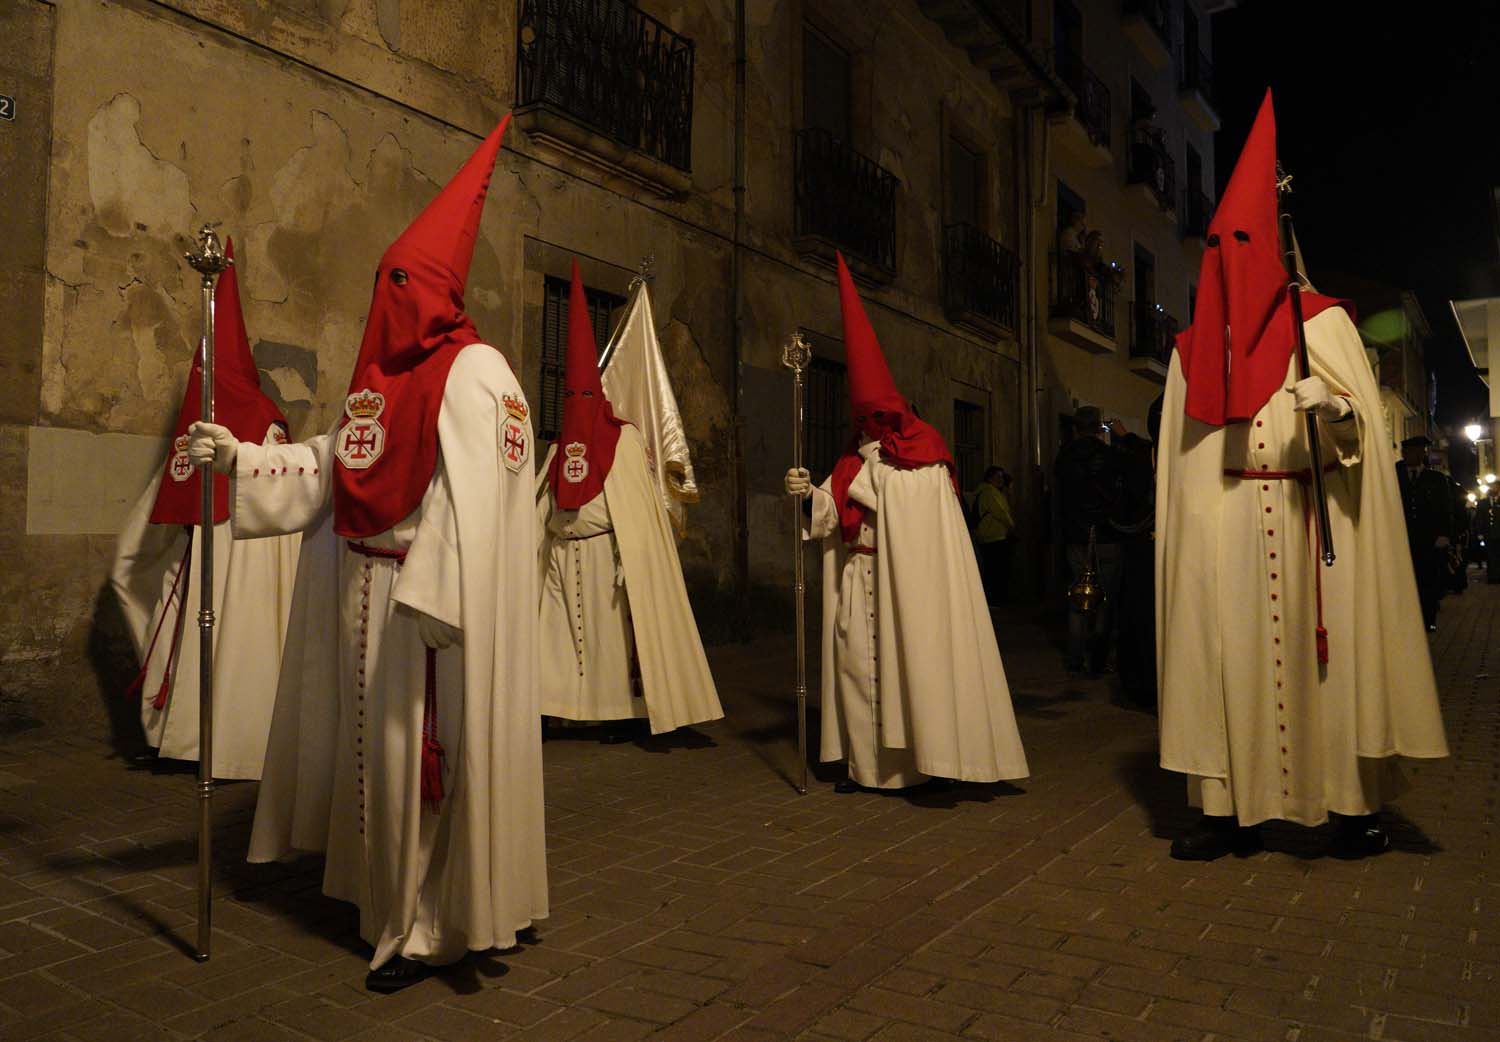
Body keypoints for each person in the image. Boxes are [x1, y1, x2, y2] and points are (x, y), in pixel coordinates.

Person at [188, 116, 547, 991]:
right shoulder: (381, 381)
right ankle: (384, 905)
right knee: (376, 775)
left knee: (422, 770)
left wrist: (434, 597)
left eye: (397, 282)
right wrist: (243, 457)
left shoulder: (478, 375)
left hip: (427, 613)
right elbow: (331, 462)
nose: (383, 298)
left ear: (429, 290)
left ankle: (427, 929)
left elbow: (478, 505)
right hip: (365, 598)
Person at [1155, 91, 1448, 862]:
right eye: (1221, 246)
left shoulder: (1323, 324)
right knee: (1226, 667)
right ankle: (1227, 814)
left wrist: (1341, 405)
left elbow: (1362, 441)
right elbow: (1179, 470)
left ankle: (1349, 810)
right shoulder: (1192, 352)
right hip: (1225, 530)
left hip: (1312, 517)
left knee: (1330, 669)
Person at [783, 253, 1028, 793]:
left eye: (874, 418)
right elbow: (831, 512)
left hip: (907, 585)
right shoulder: (854, 456)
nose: (867, 427)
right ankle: (862, 765)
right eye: (861, 420)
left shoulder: (925, 452)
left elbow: (914, 511)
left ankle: (922, 766)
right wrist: (807, 495)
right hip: (858, 575)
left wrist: (875, 476)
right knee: (853, 669)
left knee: (910, 667)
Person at [110, 239, 299, 779]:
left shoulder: (255, 415)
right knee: (213, 636)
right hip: (216, 546)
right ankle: (198, 738)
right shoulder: (265, 413)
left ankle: (213, 743)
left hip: (242, 546)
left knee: (230, 640)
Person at [536, 262, 722, 739]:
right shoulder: (559, 446)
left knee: (606, 642)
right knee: (558, 638)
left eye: (583, 393)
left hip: (603, 553)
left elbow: (636, 510)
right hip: (563, 552)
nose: (575, 400)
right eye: (569, 394)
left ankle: (617, 712)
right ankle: (556, 707)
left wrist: (628, 556)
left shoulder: (623, 442)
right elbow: (541, 503)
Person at [1053, 405, 1125, 675]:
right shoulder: (1109, 456)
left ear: (1075, 428)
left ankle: (1075, 657)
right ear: (1098, 427)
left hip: (1075, 535)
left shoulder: (1063, 458)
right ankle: (1098, 658)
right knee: (1105, 596)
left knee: (1078, 594)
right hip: (1106, 533)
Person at [1396, 435, 1457, 630]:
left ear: (1422, 454)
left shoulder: (1436, 478)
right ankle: (1404, 619)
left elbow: (1445, 508)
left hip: (1427, 539)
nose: (1411, 456)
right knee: (1402, 580)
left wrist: (1444, 534)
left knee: (1427, 579)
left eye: (1416, 452)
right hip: (1400, 538)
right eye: (1407, 452)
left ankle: (1428, 619)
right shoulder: (1394, 475)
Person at [972, 465, 1015, 606]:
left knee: (992, 570)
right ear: (990, 478)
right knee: (997, 571)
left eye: (1002, 477)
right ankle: (996, 600)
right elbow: (1001, 512)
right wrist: (1012, 526)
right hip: (994, 537)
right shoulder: (990, 492)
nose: (1001, 480)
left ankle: (994, 600)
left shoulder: (985, 491)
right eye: (998, 477)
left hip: (988, 536)